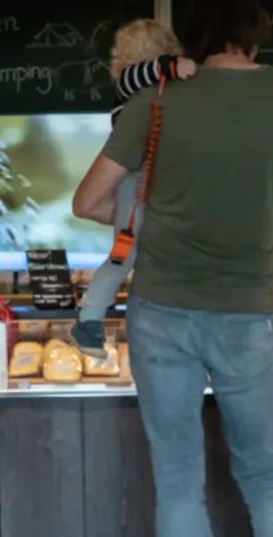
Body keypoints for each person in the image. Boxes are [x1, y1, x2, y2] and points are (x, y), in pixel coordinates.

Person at [73, 0, 273, 537]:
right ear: (255, 30)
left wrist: (158, 219)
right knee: (268, 483)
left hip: (163, 310)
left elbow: (87, 200)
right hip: (248, 311)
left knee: (179, 487)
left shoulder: (158, 104)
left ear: (193, 40)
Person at [75, 21, 194, 351]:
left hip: (149, 184)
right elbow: (142, 74)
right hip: (134, 181)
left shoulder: (159, 94)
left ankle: (93, 315)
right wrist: (171, 66)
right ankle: (90, 317)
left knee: (130, 253)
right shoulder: (131, 87)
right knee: (123, 254)